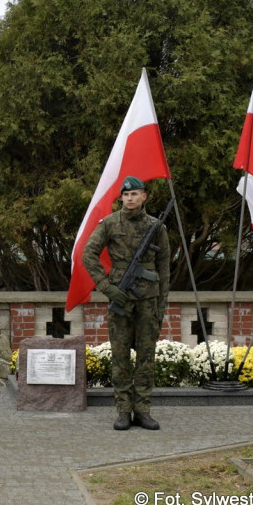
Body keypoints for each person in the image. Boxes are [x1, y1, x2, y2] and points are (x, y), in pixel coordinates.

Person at [82, 176, 170, 431]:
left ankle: (142, 410)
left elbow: (164, 270)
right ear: (121, 197)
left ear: (145, 196)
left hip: (148, 301)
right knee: (120, 357)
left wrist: (161, 306)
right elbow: (88, 254)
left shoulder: (156, 227)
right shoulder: (109, 224)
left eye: (135, 194)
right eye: (126, 194)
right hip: (120, 297)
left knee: (146, 357)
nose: (130, 198)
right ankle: (123, 410)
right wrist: (107, 288)